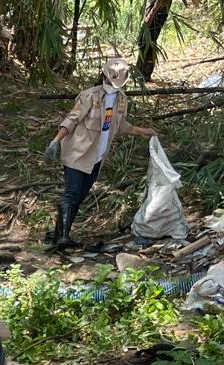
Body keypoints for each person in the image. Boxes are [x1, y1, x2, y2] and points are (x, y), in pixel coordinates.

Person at [42, 57, 157, 250]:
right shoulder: (89, 96)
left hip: (97, 156)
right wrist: (55, 141)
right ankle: (63, 237)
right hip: (78, 153)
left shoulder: (121, 99)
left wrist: (142, 131)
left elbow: (120, 126)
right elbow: (71, 120)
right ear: (103, 76)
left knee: (79, 195)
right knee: (71, 193)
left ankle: (59, 231)